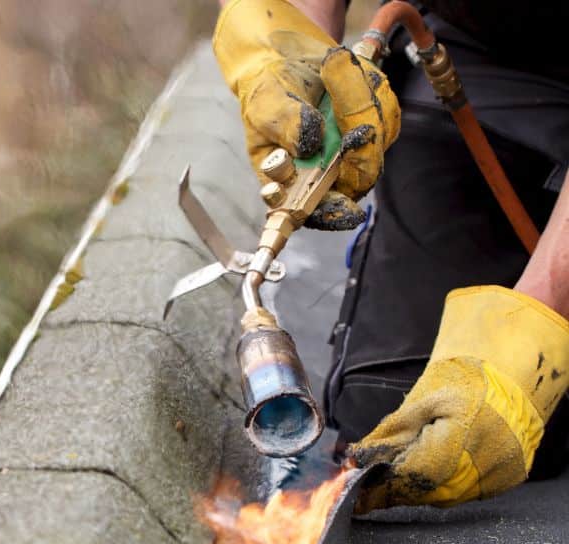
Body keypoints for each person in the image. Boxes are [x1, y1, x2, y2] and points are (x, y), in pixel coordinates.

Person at [212, 0, 569, 511]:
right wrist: (293, 55)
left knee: (522, 410)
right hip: (481, 61)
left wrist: (533, 338)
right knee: (406, 423)